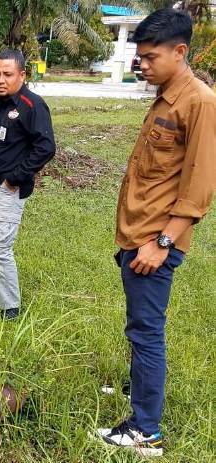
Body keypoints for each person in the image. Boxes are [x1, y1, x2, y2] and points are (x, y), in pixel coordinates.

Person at [95, 9, 215, 457]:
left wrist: (163, 242)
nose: (140, 64)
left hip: (154, 241)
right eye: (139, 56)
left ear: (180, 52)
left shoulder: (199, 102)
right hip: (137, 235)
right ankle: (140, 393)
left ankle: (145, 429)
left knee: (147, 332)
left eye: (148, 56)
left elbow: (200, 184)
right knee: (139, 327)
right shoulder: (168, 95)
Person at [0, 49, 55, 319]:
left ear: (22, 75)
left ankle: (9, 309)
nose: (0, 80)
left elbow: (46, 147)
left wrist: (15, 178)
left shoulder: (32, 105)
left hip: (9, 189)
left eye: (7, 74)